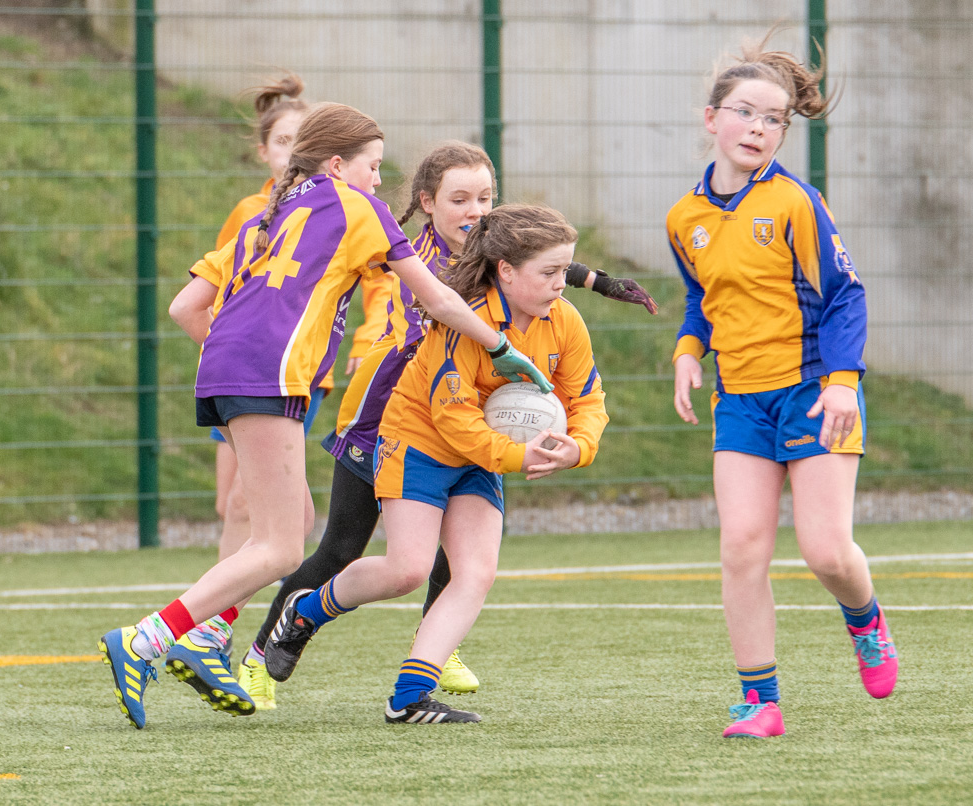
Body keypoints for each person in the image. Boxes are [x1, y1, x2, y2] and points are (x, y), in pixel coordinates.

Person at [99, 103, 552, 730]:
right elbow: (440, 298)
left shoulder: (267, 211)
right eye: (373, 166)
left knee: (293, 525)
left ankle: (204, 635)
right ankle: (153, 637)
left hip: (235, 372)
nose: (377, 179)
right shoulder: (355, 208)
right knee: (282, 544)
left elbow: (186, 306)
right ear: (340, 165)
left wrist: (234, 356)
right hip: (271, 378)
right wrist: (503, 349)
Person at [236, 142, 657, 710]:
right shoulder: (410, 256)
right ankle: (265, 653)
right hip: (386, 415)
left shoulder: (522, 277)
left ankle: (429, 660)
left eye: (486, 198)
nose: (476, 210)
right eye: (460, 199)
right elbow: (510, 272)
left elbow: (538, 259)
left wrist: (596, 280)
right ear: (426, 203)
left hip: (474, 424)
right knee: (346, 547)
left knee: (463, 563)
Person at [667, 35, 897, 739]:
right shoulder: (684, 218)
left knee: (826, 551)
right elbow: (700, 297)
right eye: (747, 113)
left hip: (814, 391)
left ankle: (864, 619)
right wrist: (686, 350)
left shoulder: (795, 202)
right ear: (712, 119)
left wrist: (839, 386)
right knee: (740, 546)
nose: (760, 128)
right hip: (739, 399)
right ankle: (758, 702)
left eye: (775, 119)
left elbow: (844, 296)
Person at [163, 76, 392, 711]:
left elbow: (376, 287)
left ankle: (208, 630)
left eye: (300, 137)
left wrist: (371, 340)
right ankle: (200, 631)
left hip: (299, 378)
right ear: (267, 149)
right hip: (255, 372)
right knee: (240, 505)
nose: (291, 148)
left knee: (284, 517)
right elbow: (212, 298)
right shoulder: (254, 213)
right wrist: (238, 357)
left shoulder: (341, 210)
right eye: (281, 139)